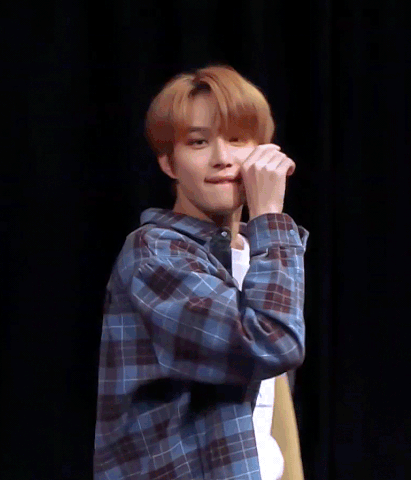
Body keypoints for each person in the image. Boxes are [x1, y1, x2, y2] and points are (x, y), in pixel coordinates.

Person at [94, 64, 309, 480]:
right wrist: (270, 217)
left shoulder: (257, 252)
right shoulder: (155, 252)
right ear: (169, 163)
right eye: (198, 142)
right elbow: (270, 343)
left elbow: (269, 410)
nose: (222, 158)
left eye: (237, 139)